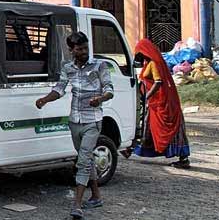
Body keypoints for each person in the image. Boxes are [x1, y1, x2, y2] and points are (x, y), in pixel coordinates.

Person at [36, 31, 113, 219]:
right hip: (75, 121)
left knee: (83, 161)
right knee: (85, 159)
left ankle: (77, 205)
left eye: (86, 48)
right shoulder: (68, 67)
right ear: (71, 50)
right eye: (80, 49)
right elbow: (60, 89)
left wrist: (100, 99)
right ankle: (96, 196)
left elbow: (109, 90)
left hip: (93, 120)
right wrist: (45, 100)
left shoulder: (99, 65)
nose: (84, 51)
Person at [129, 38, 191, 168]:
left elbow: (158, 82)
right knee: (151, 127)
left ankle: (183, 157)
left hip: (160, 102)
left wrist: (148, 95)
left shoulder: (153, 64)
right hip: (156, 102)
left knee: (165, 127)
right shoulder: (150, 63)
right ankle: (134, 149)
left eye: (139, 53)